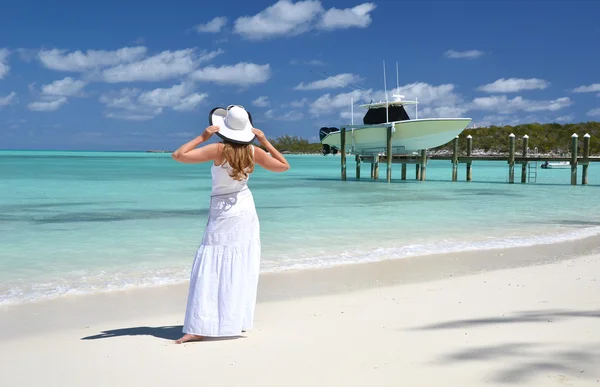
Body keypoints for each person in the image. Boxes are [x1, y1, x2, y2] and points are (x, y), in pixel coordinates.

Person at [171, 105, 290, 343]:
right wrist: (265, 141)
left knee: (211, 264)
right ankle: (235, 320)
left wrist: (202, 137)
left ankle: (199, 327)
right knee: (240, 264)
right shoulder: (254, 152)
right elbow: (283, 165)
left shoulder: (217, 149)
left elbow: (179, 155)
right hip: (245, 209)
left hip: (222, 211)